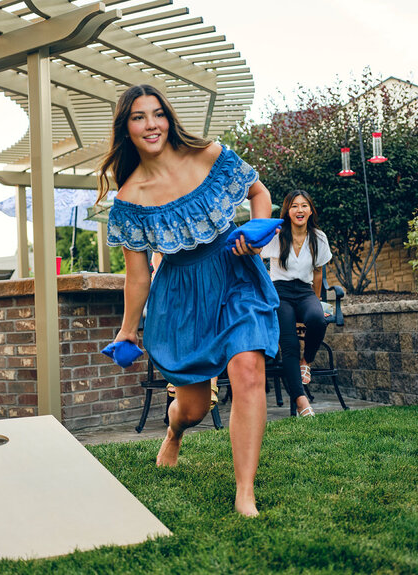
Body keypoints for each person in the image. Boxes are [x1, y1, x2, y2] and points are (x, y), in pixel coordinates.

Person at [98, 84, 279, 516]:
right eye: (139, 117)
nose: (151, 124)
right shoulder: (129, 199)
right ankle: (174, 431)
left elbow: (259, 193)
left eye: (157, 113)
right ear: (126, 128)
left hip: (234, 274)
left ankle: (245, 493)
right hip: (181, 295)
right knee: (195, 407)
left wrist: (254, 236)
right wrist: (127, 331)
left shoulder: (209, 155)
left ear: (169, 117)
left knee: (248, 369)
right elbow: (138, 277)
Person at [260, 190, 333, 417]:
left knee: (317, 319)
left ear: (310, 210)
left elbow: (318, 273)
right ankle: (302, 402)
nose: (299, 210)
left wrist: (317, 301)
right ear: (287, 211)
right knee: (289, 345)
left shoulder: (318, 238)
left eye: (303, 206)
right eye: (294, 206)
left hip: (304, 290)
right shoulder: (277, 235)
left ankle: (307, 360)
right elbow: (257, 256)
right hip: (280, 292)